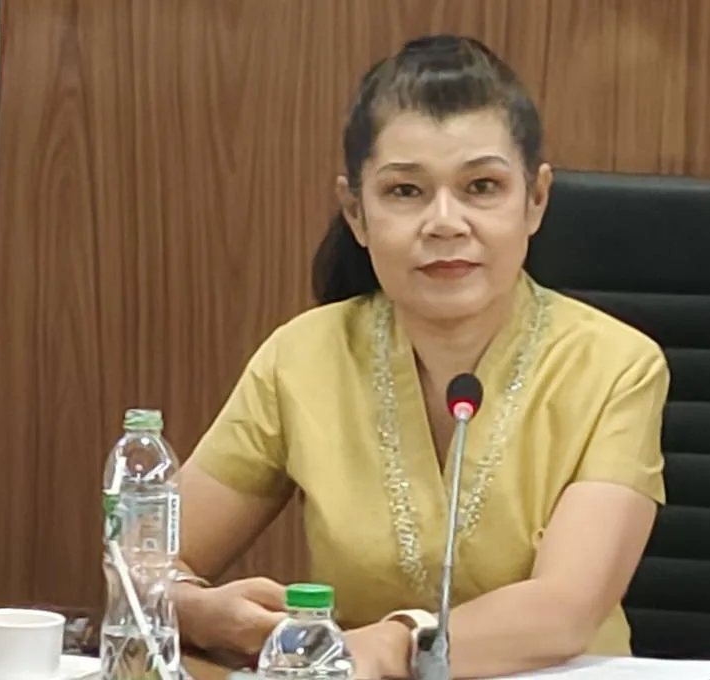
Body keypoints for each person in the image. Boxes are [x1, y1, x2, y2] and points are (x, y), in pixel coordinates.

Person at [172, 34, 669, 679]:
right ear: (356, 213)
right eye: (405, 191)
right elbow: (144, 565)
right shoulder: (302, 358)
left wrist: (394, 643)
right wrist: (198, 611)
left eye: (482, 186)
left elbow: (564, 612)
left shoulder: (616, 365)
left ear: (536, 200)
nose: (444, 222)